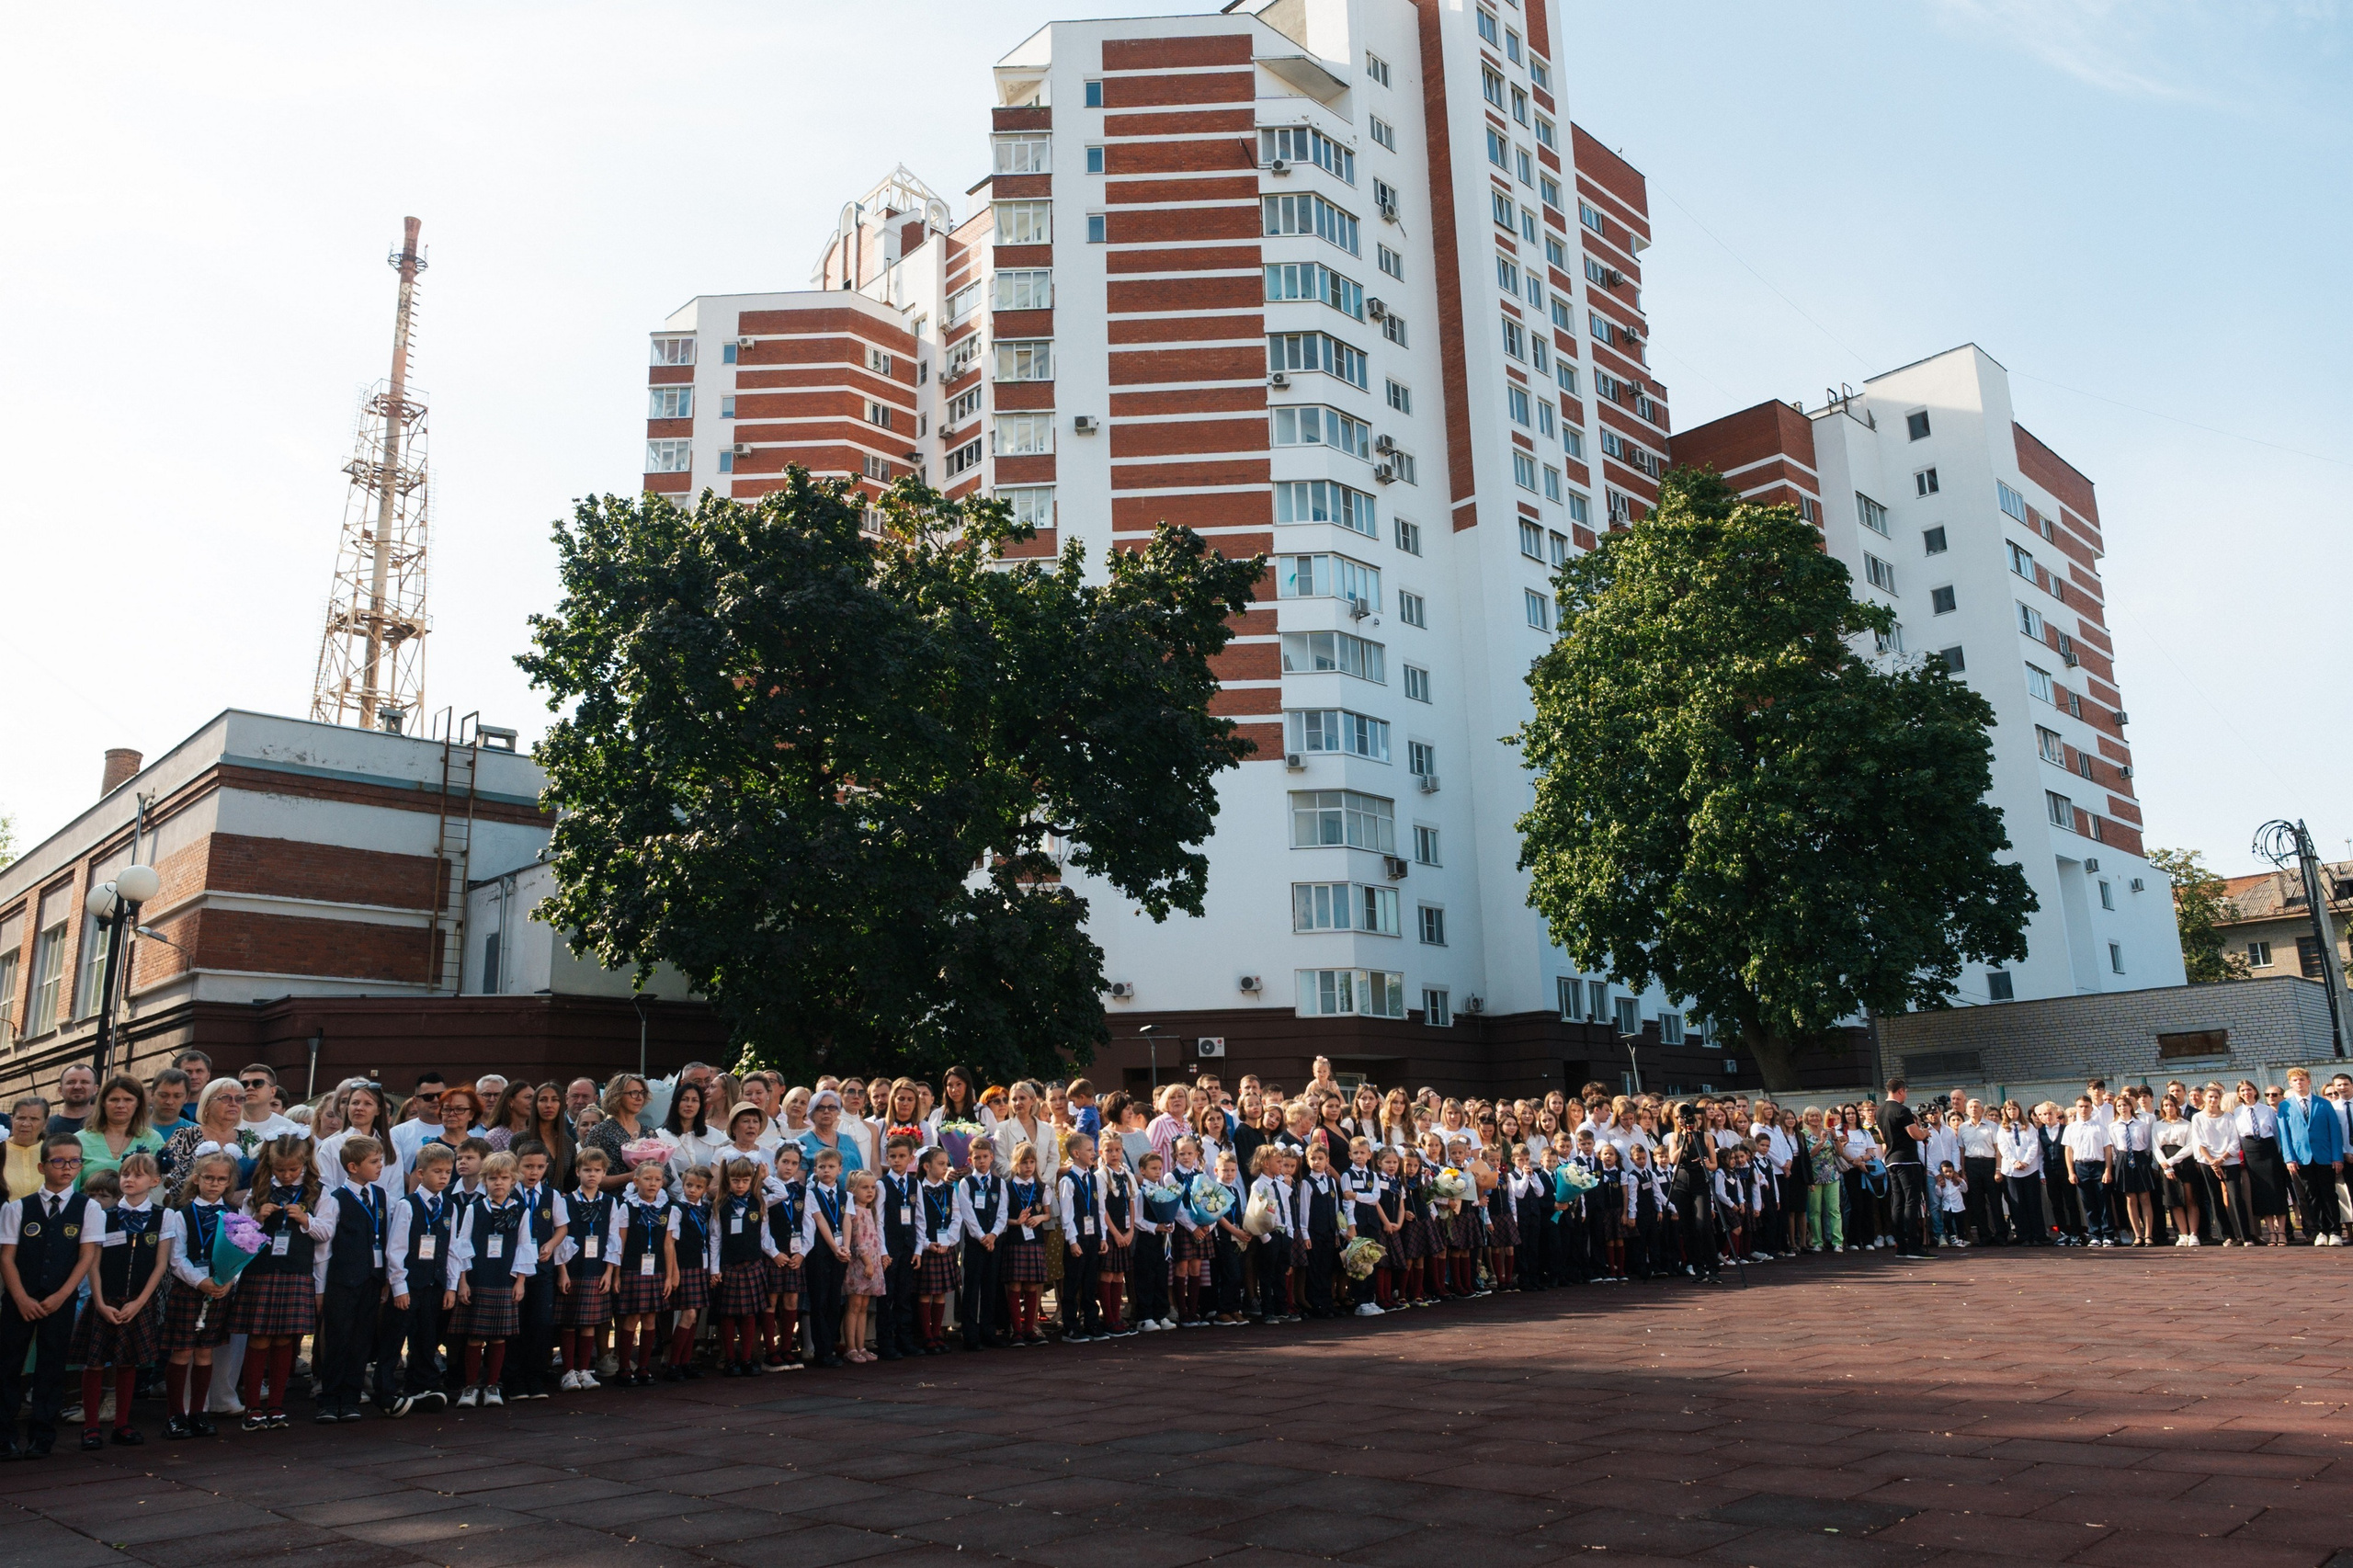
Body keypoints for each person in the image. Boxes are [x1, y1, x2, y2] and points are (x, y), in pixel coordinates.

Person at [0, 1134, 102, 1457]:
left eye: (74, 1161)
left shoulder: (90, 1208)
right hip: (20, 1299)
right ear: (43, 1166)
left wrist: (61, 1296)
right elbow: (6, 1257)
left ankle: (42, 1435)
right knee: (8, 1364)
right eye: (58, 1161)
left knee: (51, 1364)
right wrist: (20, 1298)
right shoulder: (18, 1208)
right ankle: (4, 1435)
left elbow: (86, 1257)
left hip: (60, 1299)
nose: (66, 1168)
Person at [229, 1135, 326, 1429]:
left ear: (305, 1165)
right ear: (270, 1164)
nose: (286, 1175)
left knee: (285, 1338)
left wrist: (307, 1220)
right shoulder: (257, 1191)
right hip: (260, 1271)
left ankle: (277, 1404)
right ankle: (252, 1407)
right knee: (258, 1337)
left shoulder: (319, 1192)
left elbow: (326, 1234)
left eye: (293, 1169)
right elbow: (238, 1236)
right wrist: (257, 1218)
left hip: (296, 1272)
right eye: (280, 1169)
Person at [448, 1151, 533, 1406]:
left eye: (504, 1178)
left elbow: (524, 1246)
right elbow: (462, 1245)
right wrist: (462, 1281)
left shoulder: (521, 1210)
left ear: (513, 1181)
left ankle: (492, 1385)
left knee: (499, 1336)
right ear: (484, 1180)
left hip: (504, 1281)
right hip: (477, 1279)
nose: (498, 1183)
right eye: (493, 1178)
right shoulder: (474, 1209)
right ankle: (470, 1386)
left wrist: (520, 1281)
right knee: (474, 1336)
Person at [2279, 1066, 2346, 1244]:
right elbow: (2285, 1134)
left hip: (2325, 1156)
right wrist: (2289, 1158)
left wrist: (2337, 1156)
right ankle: (2319, 1231)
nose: (2298, 1083)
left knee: (2328, 1194)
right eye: (2295, 1081)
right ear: (2291, 1084)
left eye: (2301, 1080)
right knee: (2311, 1195)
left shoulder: (2323, 1103)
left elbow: (2335, 1132)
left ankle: (2335, 1231)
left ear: (2308, 1081)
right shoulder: (2285, 1106)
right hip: (2301, 1157)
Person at [1876, 1079, 1928, 1257]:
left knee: (1897, 1202)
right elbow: (1915, 1134)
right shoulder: (1902, 1110)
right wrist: (1925, 1133)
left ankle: (1901, 1246)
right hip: (1907, 1159)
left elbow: (1883, 1136)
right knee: (1911, 1201)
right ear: (1900, 1091)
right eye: (1905, 1092)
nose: (1905, 1095)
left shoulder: (1880, 1111)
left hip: (1891, 1159)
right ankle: (1914, 1245)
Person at [234, 1066, 302, 1142]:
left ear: (272, 1091)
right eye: (244, 1084)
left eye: (258, 1083)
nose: (250, 1088)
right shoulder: (226, 1124)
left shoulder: (289, 1129)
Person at [6, 1096, 51, 1202]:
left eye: (34, 1119)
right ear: (12, 1119)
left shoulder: (51, 1152)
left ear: (45, 1123)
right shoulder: (2, 1150)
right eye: (21, 1118)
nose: (26, 1124)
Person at [44, 1065, 97, 1138]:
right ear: (60, 1090)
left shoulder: (104, 1125)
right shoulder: (45, 1127)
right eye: (71, 1082)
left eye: (84, 1082)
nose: (77, 1087)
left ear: (95, 1089)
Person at [146, 1069, 195, 1138]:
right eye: (163, 1095)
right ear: (152, 1094)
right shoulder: (133, 1129)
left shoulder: (196, 1134)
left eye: (177, 1096)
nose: (169, 1102)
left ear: (186, 1097)